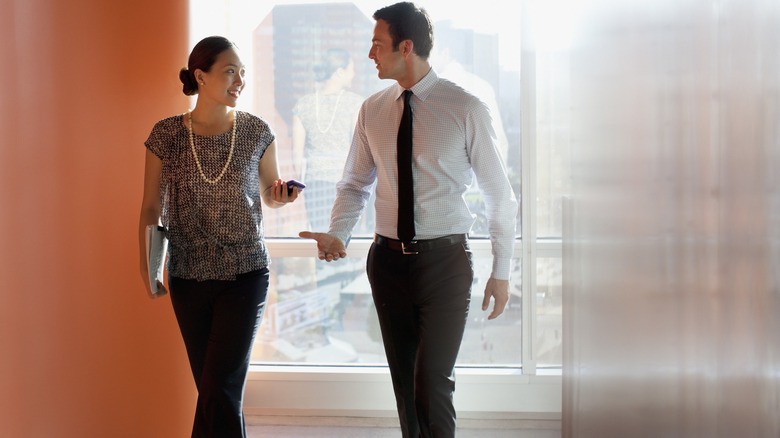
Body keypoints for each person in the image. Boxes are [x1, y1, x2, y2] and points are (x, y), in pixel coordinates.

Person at [299, 3, 518, 437]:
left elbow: (500, 196)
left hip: (445, 264)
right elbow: (354, 184)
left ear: (406, 47)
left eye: (377, 44)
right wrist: (339, 233)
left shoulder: (466, 107)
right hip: (387, 264)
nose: (370, 54)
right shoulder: (372, 110)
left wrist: (502, 272)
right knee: (405, 387)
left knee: (431, 385)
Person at [138, 36, 300, 438]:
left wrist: (279, 197)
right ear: (201, 76)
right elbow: (150, 207)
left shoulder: (256, 131)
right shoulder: (166, 135)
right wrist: (149, 267)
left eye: (242, 72)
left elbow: (268, 194)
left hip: (245, 273)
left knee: (219, 390)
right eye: (230, 72)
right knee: (214, 393)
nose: (240, 81)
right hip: (188, 276)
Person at [291, 48, 364, 232]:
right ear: (339, 71)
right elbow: (358, 147)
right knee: (345, 239)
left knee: (320, 239)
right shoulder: (354, 103)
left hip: (315, 185)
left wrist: (300, 181)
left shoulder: (303, 104)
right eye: (351, 69)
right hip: (345, 184)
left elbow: (297, 152)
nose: (353, 74)